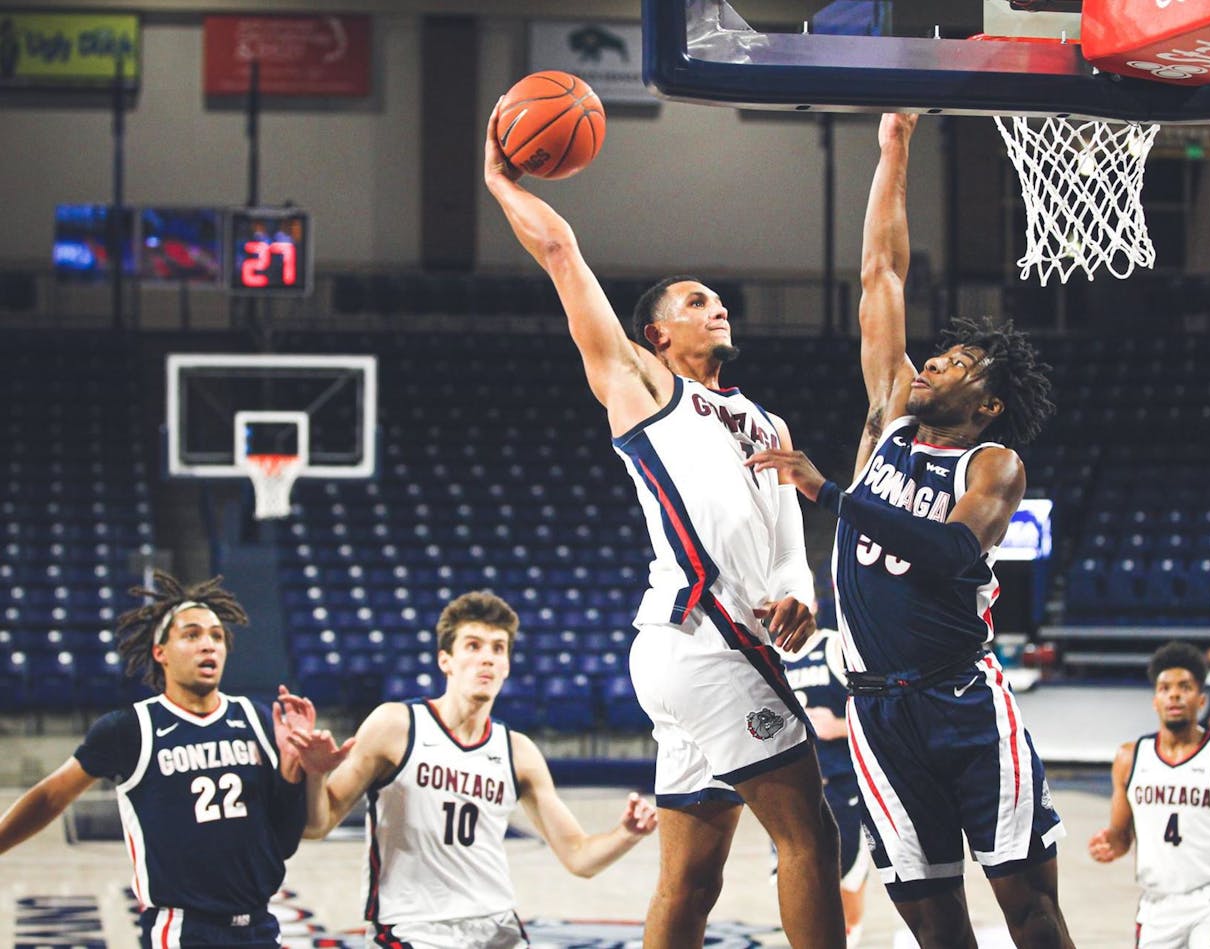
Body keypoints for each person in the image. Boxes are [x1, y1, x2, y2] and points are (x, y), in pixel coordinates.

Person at [483, 103, 845, 948]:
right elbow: (563, 255)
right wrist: (503, 180)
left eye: (718, 298)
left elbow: (786, 541)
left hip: (715, 647)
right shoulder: (644, 388)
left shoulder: (769, 423)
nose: (716, 306)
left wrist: (799, 595)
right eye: (696, 300)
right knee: (810, 834)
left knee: (690, 879)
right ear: (657, 333)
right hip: (702, 639)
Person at [747, 113, 1070, 948]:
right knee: (933, 925)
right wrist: (894, 148)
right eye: (937, 354)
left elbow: (952, 554)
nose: (932, 362)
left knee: (1029, 910)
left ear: (986, 402)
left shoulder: (992, 465)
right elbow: (881, 272)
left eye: (958, 364)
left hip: (960, 698)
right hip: (876, 713)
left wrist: (831, 491)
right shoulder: (889, 417)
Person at [290, 590, 658, 948]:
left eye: (498, 648)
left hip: (496, 926)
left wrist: (627, 833)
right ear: (445, 660)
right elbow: (316, 825)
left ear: (507, 666)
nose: (487, 658)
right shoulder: (395, 726)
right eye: (473, 646)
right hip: (412, 927)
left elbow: (579, 857)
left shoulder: (518, 752)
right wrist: (316, 774)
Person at [0, 571, 313, 948]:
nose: (208, 645)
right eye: (192, 634)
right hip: (184, 930)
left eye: (217, 636)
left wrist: (297, 773)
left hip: (260, 926)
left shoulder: (257, 718)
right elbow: (52, 796)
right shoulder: (130, 729)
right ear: (160, 652)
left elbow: (283, 841)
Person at [1088, 641, 1210, 948]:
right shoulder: (1130, 758)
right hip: (1157, 905)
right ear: (1155, 701)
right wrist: (1108, 844)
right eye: (1165, 688)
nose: (1174, 694)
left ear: (1201, 699)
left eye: (1184, 687)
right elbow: (1121, 837)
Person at [776, 628, 874, 948]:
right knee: (799, 888)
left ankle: (851, 938)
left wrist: (839, 727)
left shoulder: (836, 646)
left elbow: (881, 713)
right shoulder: (767, 658)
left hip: (841, 785)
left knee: (847, 880)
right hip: (790, 793)